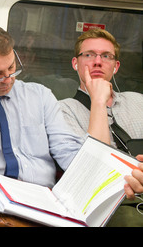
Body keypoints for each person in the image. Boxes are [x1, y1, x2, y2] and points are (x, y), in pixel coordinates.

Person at [0, 24, 143, 226]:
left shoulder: (40, 96)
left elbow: (70, 154)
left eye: (11, 68)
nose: (8, 79)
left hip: (42, 202)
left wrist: (120, 176)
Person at [59, 28, 143, 226]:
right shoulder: (62, 110)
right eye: (89, 55)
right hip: (108, 203)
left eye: (106, 56)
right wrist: (97, 100)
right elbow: (94, 170)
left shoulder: (139, 101)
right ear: (75, 63)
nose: (97, 61)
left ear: (115, 66)